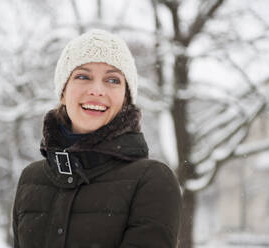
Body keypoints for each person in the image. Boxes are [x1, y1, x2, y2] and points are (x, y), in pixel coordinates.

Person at [12, 29, 182, 248]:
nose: (97, 90)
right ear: (63, 91)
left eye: (112, 80)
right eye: (83, 76)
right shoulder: (31, 178)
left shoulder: (151, 179)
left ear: (125, 98)